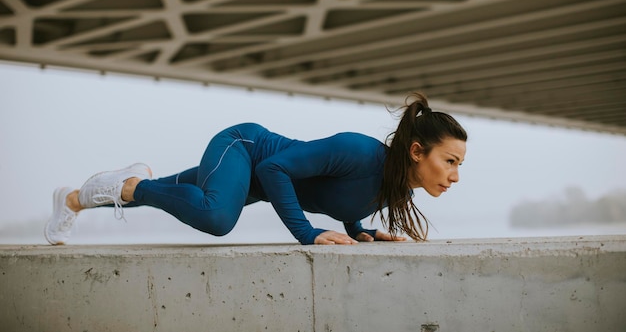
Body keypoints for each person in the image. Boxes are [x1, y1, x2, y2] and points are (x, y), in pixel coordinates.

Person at [44, 92, 467, 246]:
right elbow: (275, 169)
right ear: (416, 151)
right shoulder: (359, 151)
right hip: (244, 148)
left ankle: (73, 200)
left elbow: (342, 193)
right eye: (450, 161)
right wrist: (306, 234)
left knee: (177, 197)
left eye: (458, 165)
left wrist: (358, 230)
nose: (455, 175)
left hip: (256, 178)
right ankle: (134, 182)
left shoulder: (396, 187)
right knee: (215, 216)